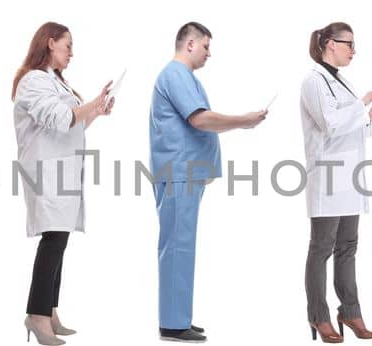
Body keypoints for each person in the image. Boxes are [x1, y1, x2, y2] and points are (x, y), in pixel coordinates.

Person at [149, 21, 267, 343]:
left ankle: (178, 317)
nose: (209, 53)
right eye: (206, 46)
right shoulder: (175, 75)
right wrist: (243, 121)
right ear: (189, 44)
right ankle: (172, 324)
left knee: (182, 246)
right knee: (177, 246)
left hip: (187, 173)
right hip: (178, 173)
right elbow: (199, 119)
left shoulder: (185, 78)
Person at [11, 21, 115, 346]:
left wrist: (96, 110)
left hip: (64, 171)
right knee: (53, 240)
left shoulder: (57, 82)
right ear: (50, 43)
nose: (72, 52)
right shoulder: (32, 81)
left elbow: (74, 125)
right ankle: (36, 315)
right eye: (68, 45)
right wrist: (90, 105)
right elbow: (60, 118)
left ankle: (50, 311)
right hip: (45, 172)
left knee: (60, 239)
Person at [297, 21, 372, 344]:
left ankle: (350, 311)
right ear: (329, 44)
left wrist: (368, 116)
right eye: (348, 43)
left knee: (348, 247)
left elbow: (348, 123)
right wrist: (362, 105)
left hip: (350, 177)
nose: (353, 50)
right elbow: (330, 124)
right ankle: (318, 316)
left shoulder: (341, 81)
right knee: (321, 248)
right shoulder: (313, 80)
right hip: (328, 177)